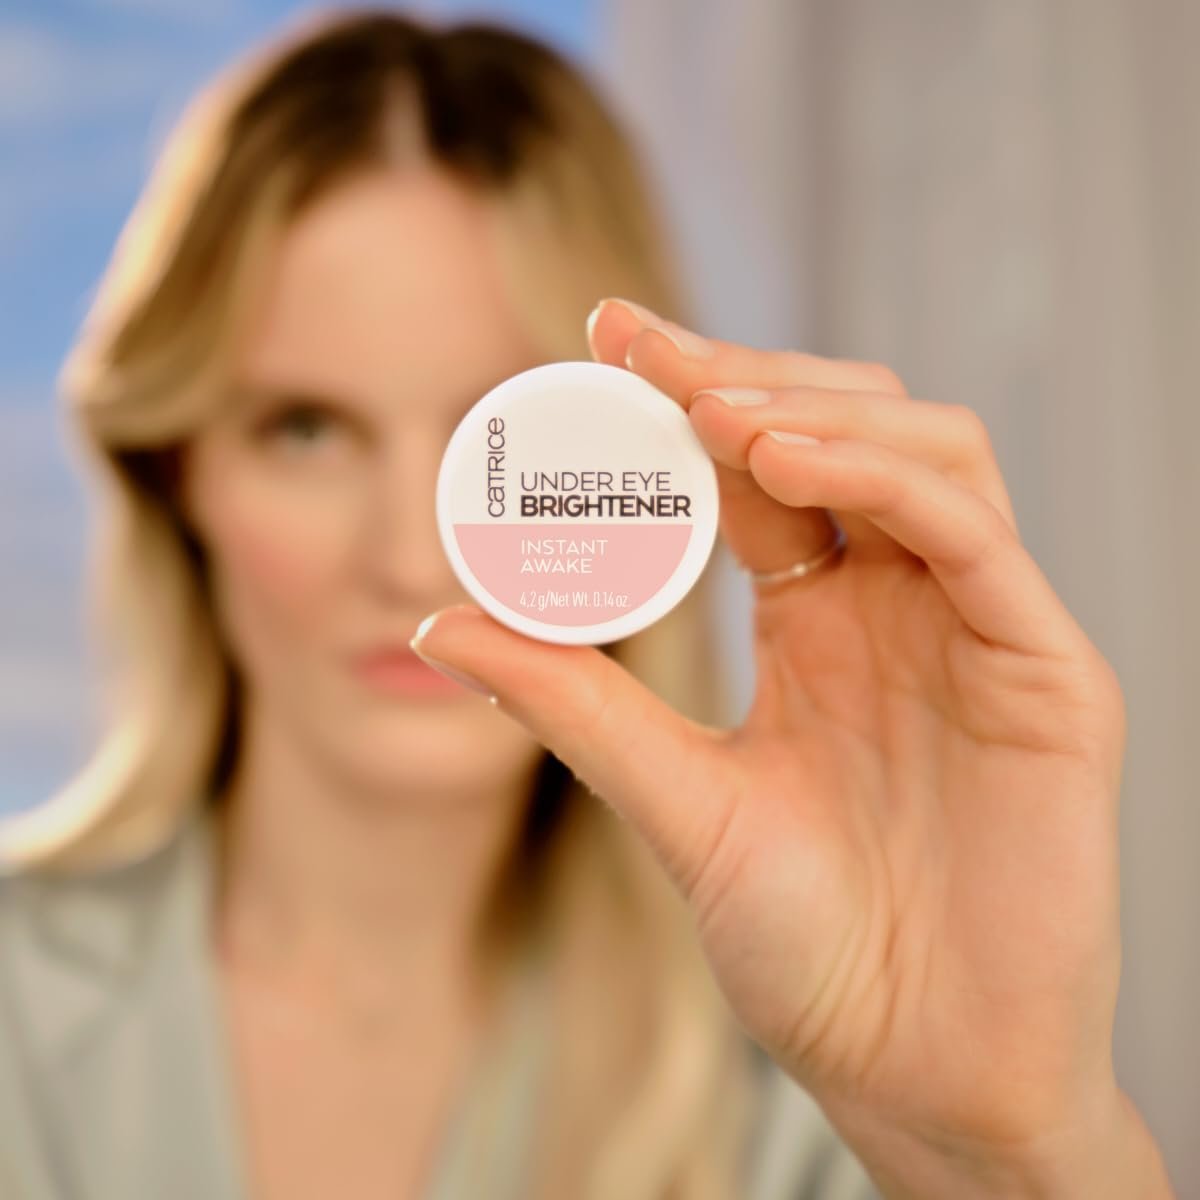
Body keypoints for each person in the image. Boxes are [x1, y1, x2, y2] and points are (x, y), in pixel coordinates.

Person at [0, 8, 1174, 1200]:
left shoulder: (820, 1067)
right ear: (176, 477)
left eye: (499, 444)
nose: (409, 557)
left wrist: (1014, 1152)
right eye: (306, 431)